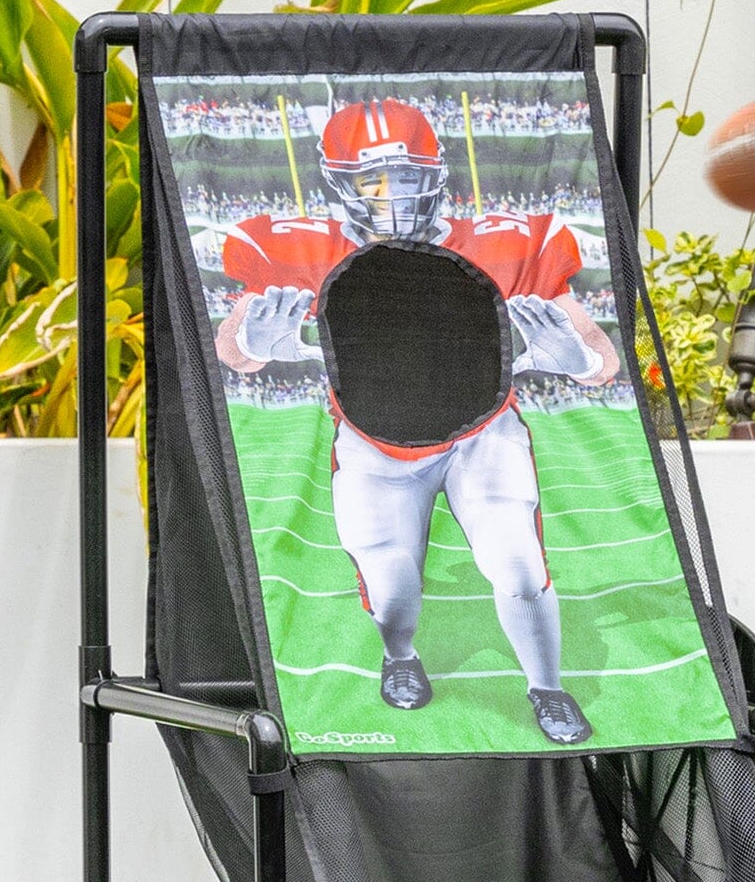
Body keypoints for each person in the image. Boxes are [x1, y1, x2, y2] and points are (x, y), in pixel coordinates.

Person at [212, 91, 617, 743]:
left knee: (518, 569)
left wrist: (577, 359)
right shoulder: (294, 248)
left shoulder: (505, 239)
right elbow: (233, 348)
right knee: (392, 587)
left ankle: (547, 686)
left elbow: (601, 356)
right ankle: (402, 658)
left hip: (481, 433)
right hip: (375, 440)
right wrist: (253, 344)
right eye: (371, 178)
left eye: (402, 175)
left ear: (432, 173)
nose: (389, 193)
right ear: (340, 184)